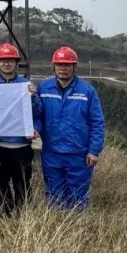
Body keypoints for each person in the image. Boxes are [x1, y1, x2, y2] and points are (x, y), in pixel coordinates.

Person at [37, 46, 105, 210]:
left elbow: (97, 122)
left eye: (67, 64)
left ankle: (77, 226)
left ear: (75, 67)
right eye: (59, 64)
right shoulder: (43, 89)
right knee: (54, 197)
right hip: (51, 153)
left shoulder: (87, 91)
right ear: (54, 66)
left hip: (79, 155)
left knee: (77, 198)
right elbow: (36, 115)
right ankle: (57, 225)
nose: (63, 68)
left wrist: (94, 151)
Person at [0, 43, 41, 215]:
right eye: (3, 61)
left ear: (17, 63)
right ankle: (4, 217)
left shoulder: (26, 85)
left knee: (22, 184)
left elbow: (38, 113)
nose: (6, 64)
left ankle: (22, 217)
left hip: (21, 145)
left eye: (10, 60)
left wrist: (33, 97)